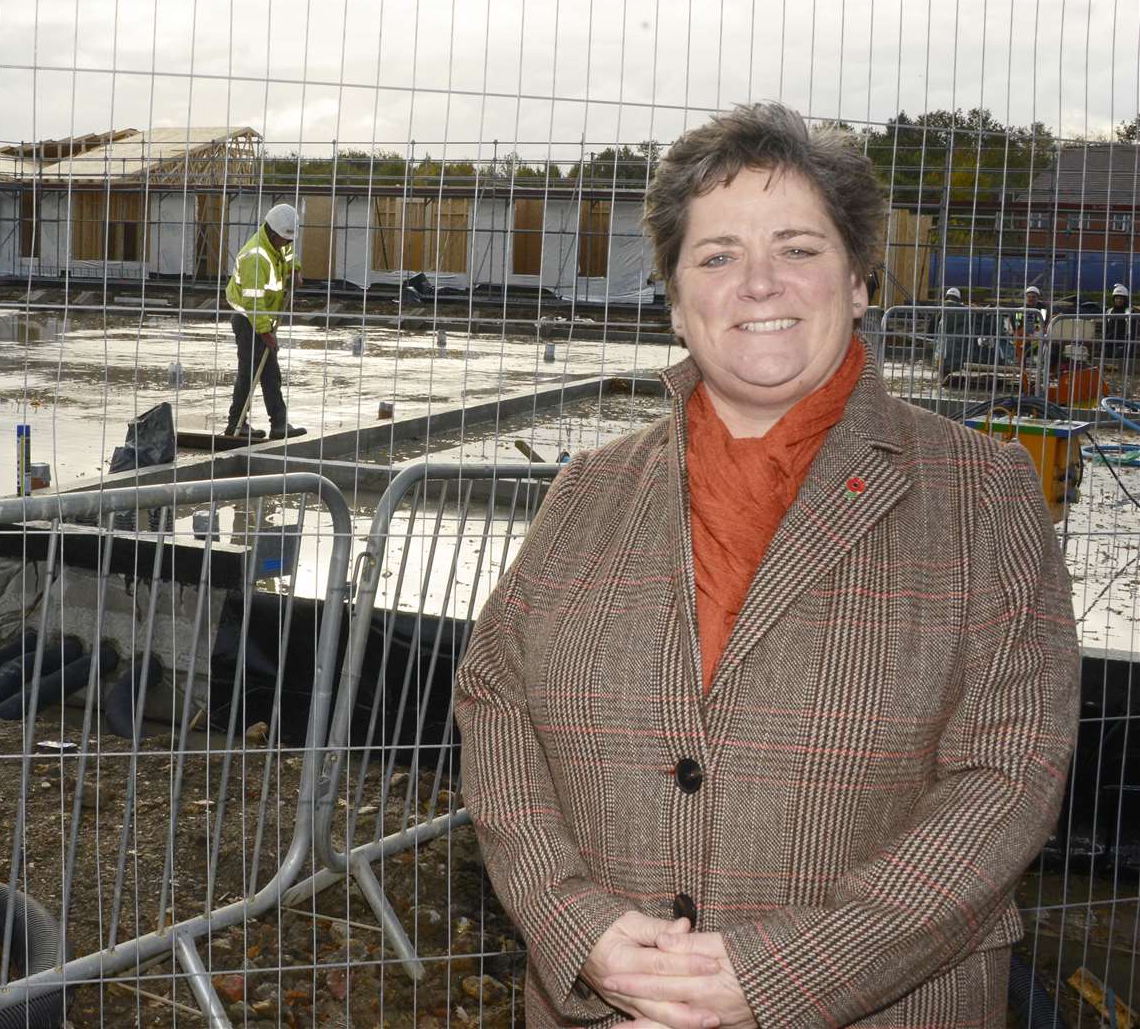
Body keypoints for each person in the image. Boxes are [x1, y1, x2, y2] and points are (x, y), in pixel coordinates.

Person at [453, 102, 1079, 1029]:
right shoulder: (589, 488)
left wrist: (784, 974)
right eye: (715, 256)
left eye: (797, 247)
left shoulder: (981, 492)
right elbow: (496, 700)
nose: (757, 283)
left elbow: (1008, 777)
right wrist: (575, 923)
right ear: (674, 298)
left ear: (859, 280)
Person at [223, 203, 303, 437]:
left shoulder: (277, 244)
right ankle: (235, 424)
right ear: (271, 232)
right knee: (249, 373)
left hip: (263, 316)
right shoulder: (255, 257)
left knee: (270, 373)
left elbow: (287, 254)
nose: (287, 243)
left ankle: (279, 424)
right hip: (248, 319)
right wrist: (265, 333)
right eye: (283, 239)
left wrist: (294, 270)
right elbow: (253, 302)